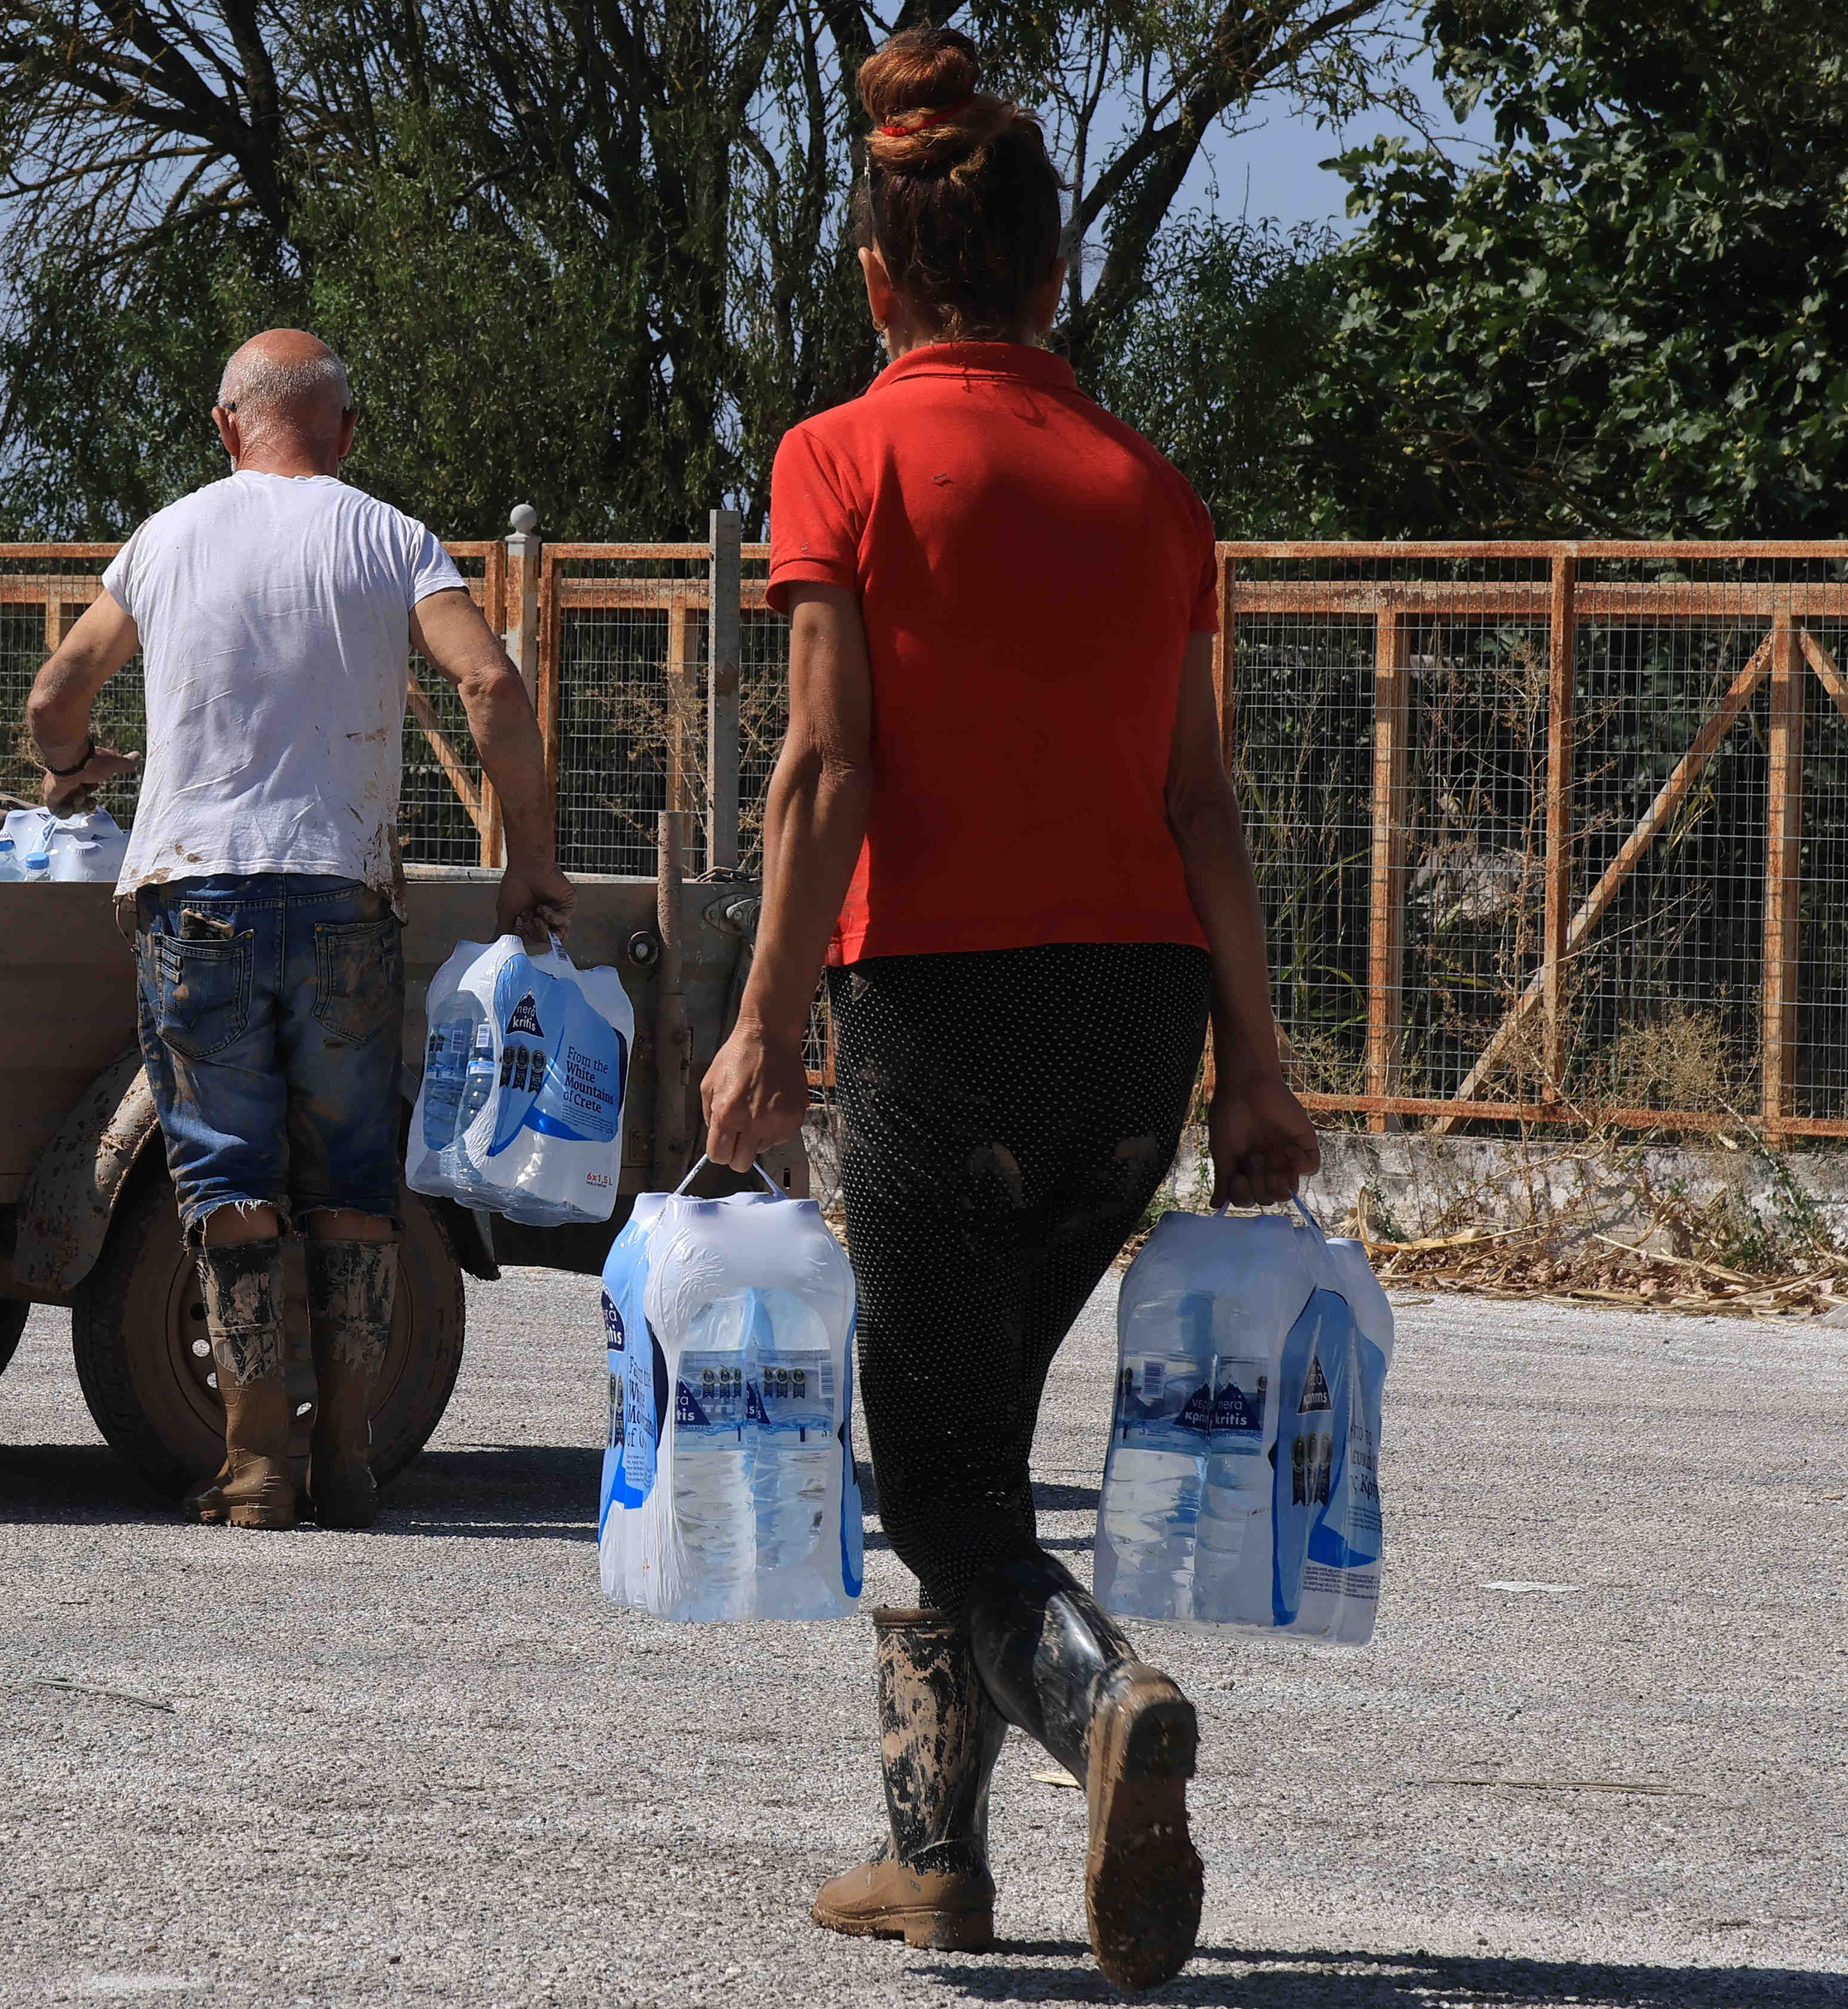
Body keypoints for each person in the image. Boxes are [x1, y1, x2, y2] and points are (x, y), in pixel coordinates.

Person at [693, 27, 1323, 1993]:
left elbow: (822, 773)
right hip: (1137, 1034)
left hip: (938, 1017)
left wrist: (760, 1027)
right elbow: (1202, 798)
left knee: (934, 1477)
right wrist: (1261, 1067)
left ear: (881, 281)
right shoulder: (1152, 490)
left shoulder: (844, 455)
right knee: (965, 1442)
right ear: (1057, 275)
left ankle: (1100, 1708)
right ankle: (927, 1862)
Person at [26, 329, 573, 1532]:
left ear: (227, 429)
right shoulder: (391, 539)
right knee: (352, 1179)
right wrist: (526, 858)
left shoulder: (166, 539)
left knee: (225, 1174)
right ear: (347, 433)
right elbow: (490, 684)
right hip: (342, 898)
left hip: (197, 896)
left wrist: (72, 768)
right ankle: (352, 1459)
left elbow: (52, 697)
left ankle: (256, 1461)